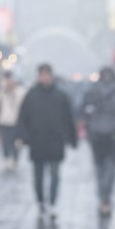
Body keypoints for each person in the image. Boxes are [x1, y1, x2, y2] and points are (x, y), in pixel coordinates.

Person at [18, 63, 78, 217]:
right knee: (38, 176)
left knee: (55, 174)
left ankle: (52, 203)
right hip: (37, 141)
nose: (44, 78)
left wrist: (72, 138)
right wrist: (22, 137)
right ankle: (40, 202)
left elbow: (68, 118)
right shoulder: (31, 95)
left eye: (46, 74)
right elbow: (23, 117)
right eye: (42, 75)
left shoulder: (60, 96)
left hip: (55, 141)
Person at [81, 67, 115, 215]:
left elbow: (84, 112)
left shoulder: (92, 91)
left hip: (96, 136)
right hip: (113, 136)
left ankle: (103, 196)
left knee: (99, 168)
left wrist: (89, 130)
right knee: (110, 168)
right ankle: (106, 198)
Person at [0, 71, 26, 170]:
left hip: (17, 121)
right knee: (5, 141)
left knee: (17, 142)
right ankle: (7, 158)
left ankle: (15, 158)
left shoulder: (21, 92)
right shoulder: (2, 92)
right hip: (4, 121)